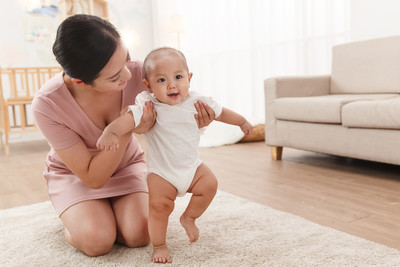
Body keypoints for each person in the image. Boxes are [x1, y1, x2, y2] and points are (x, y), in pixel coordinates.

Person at [31, 15, 215, 257]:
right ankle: (77, 218)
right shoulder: (47, 104)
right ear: (80, 81)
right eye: (115, 77)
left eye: (126, 60)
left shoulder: (139, 72)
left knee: (140, 234)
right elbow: (93, 177)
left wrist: (199, 115)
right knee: (97, 241)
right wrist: (127, 127)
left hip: (126, 166)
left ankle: (104, 215)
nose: (129, 76)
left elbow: (178, 99)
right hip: (78, 176)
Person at [96, 47, 253, 263]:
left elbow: (221, 112)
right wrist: (111, 132)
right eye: (161, 80)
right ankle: (160, 246)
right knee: (159, 208)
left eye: (178, 77)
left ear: (189, 78)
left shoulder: (196, 100)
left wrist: (241, 121)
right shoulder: (148, 104)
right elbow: (128, 120)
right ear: (149, 86)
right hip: (162, 173)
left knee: (210, 184)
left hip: (191, 167)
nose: (171, 85)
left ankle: (189, 217)